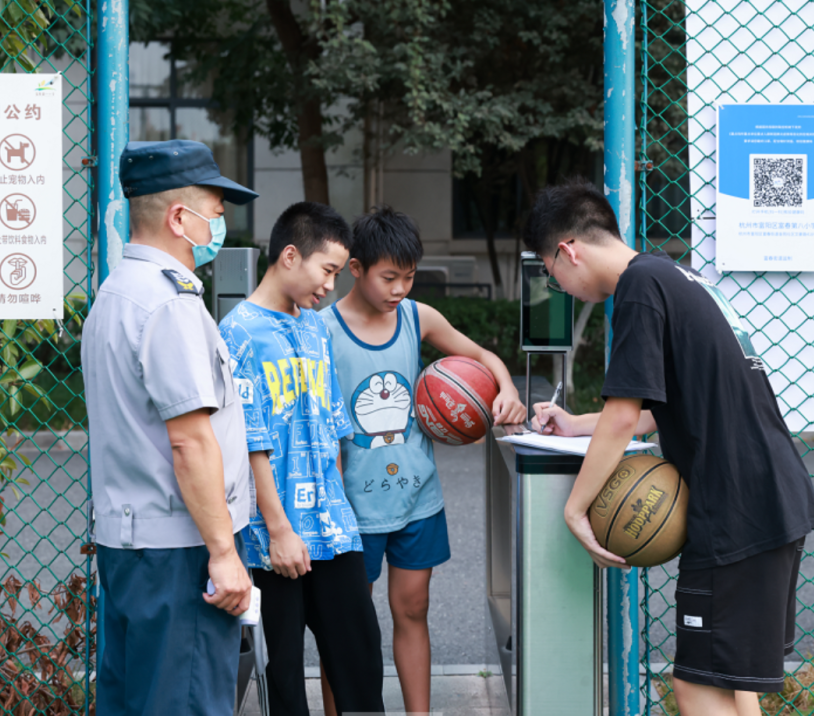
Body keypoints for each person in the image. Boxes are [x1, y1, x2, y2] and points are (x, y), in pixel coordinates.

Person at [522, 178, 814, 716]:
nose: (559, 286)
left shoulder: (639, 288)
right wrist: (575, 424)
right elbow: (655, 410)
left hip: (735, 513)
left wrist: (576, 510)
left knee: (694, 687)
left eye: (552, 273)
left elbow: (622, 417)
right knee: (731, 684)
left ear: (568, 250)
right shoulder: (675, 276)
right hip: (770, 499)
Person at [317, 205, 527, 714]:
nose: (400, 289)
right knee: (346, 627)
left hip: (417, 499)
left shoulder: (417, 316)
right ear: (356, 268)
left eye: (409, 277)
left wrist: (506, 389)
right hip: (351, 509)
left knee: (413, 610)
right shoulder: (319, 329)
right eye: (389, 277)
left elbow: (484, 358)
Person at [82, 139, 257, 715]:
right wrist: (224, 553)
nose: (220, 225)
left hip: (130, 545)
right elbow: (189, 439)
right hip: (180, 552)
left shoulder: (113, 295)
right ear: (180, 218)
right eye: (216, 212)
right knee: (186, 702)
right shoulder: (169, 305)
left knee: (134, 701)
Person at [219, 202, 385, 716]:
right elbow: (250, 442)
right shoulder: (238, 333)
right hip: (274, 538)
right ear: (290, 256)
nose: (331, 285)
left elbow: (333, 428)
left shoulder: (315, 328)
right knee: (285, 676)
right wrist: (278, 530)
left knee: (360, 661)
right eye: (328, 270)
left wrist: (337, 508)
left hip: (333, 530)